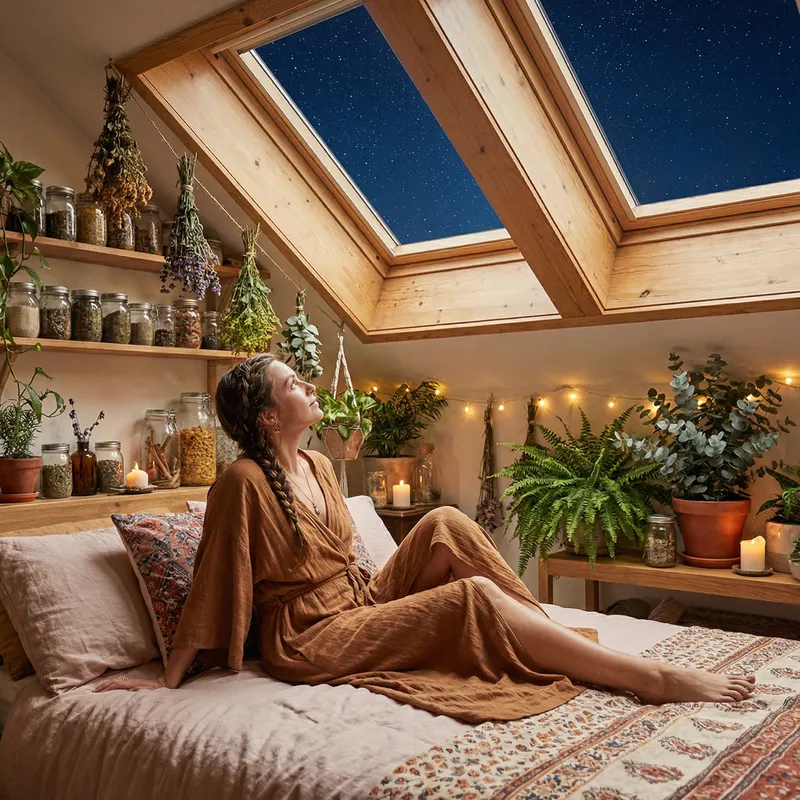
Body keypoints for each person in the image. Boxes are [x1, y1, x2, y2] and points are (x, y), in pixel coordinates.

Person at [94, 354, 755, 721]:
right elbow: (215, 578)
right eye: (294, 384)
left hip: (358, 600)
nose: (310, 385)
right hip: (310, 636)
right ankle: (650, 678)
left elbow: (352, 558)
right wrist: (169, 680)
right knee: (470, 596)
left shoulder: (320, 463)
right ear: (268, 416)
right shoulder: (240, 483)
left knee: (445, 523)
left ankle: (545, 636)